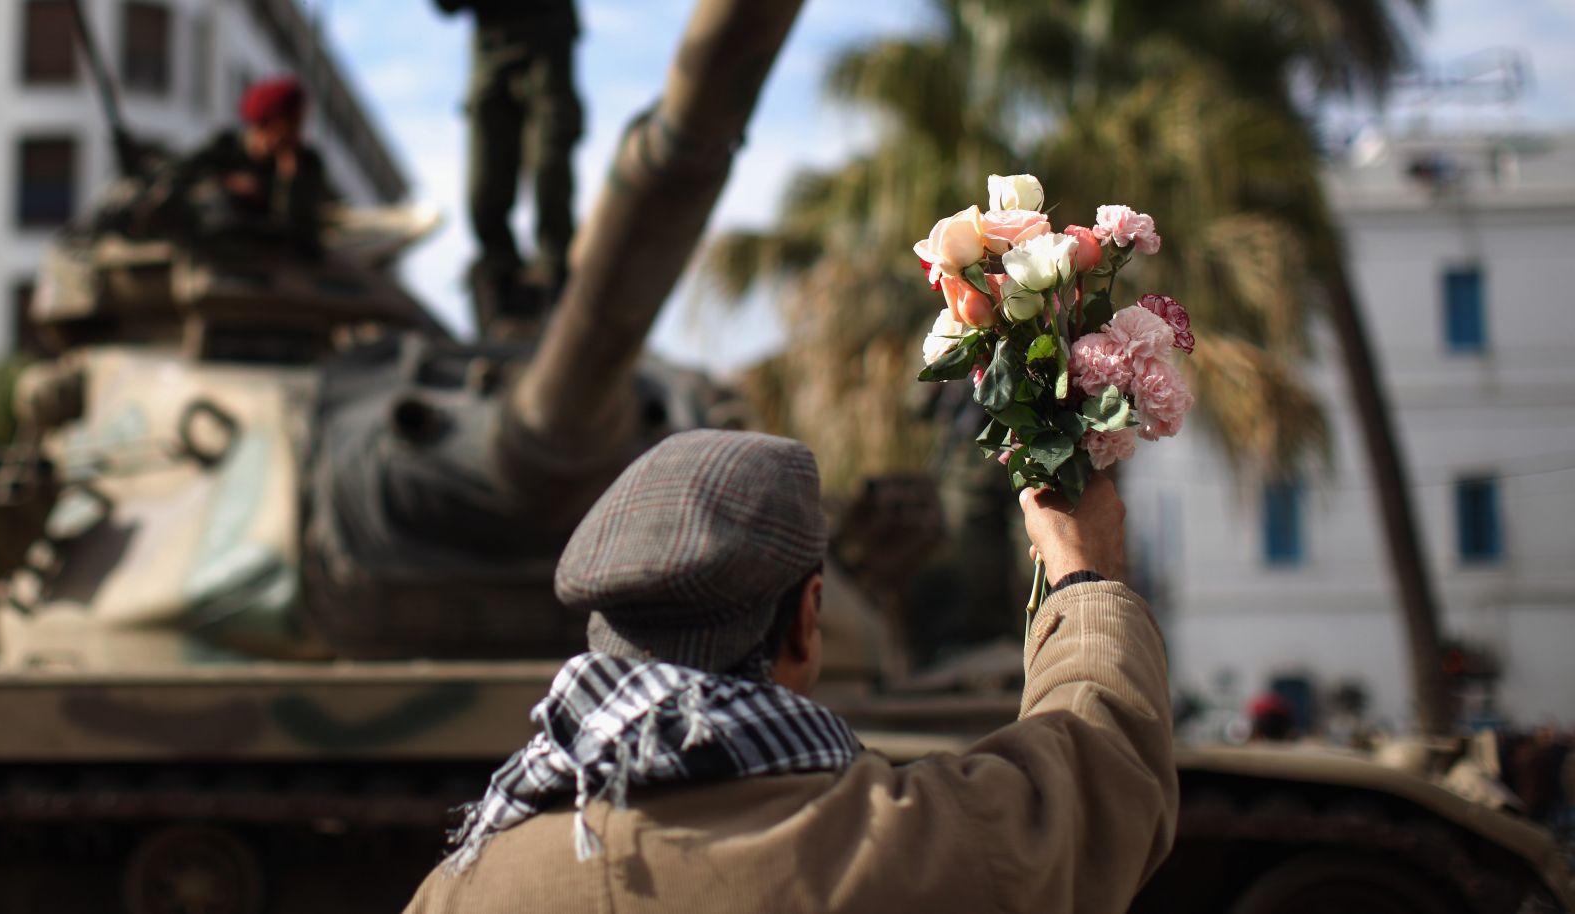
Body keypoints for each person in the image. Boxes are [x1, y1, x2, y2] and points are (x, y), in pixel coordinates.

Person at [406, 429, 1177, 913]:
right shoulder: (905, 846)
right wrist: (1083, 576)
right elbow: (1094, 779)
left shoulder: (461, 887)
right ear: (809, 619)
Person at [432, 0, 583, 333]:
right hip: (492, 47)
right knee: (484, 193)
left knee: (549, 168)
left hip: (547, 42)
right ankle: (502, 290)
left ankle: (554, 279)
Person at [144, 76, 332, 259]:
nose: (297, 133)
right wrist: (225, 184)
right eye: (291, 124)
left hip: (269, 256)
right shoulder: (227, 146)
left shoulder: (306, 163)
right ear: (269, 123)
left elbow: (299, 233)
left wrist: (289, 179)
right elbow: (182, 170)